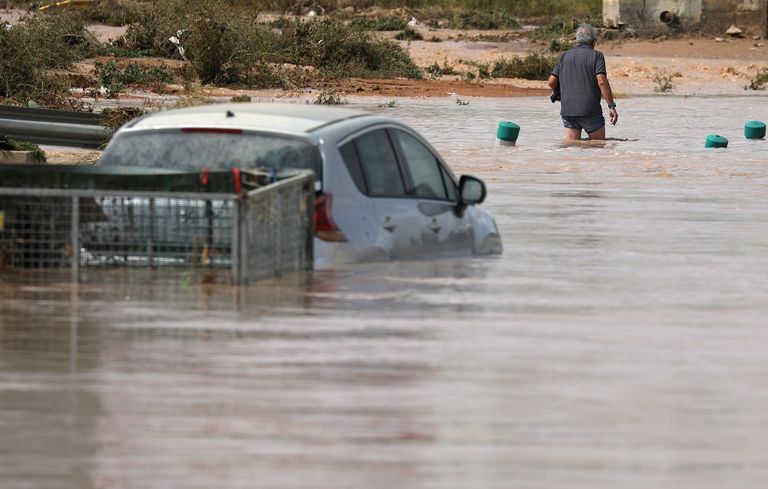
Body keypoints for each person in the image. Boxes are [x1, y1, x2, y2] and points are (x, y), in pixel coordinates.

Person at [548, 24, 618, 140]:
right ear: (593, 41)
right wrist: (611, 106)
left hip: (568, 110)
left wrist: (560, 93)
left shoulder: (564, 56)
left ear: (577, 40)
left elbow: (551, 82)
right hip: (590, 110)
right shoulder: (597, 56)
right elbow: (602, 82)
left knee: (572, 149)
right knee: (598, 147)